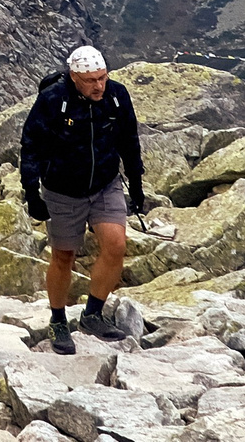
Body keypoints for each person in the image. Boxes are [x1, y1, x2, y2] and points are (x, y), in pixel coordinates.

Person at [19, 43, 145, 354]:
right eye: (91, 80)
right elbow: (31, 145)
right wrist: (31, 192)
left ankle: (92, 314)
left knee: (116, 245)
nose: (99, 85)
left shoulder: (116, 96)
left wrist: (137, 184)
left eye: (103, 78)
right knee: (64, 256)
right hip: (62, 190)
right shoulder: (52, 100)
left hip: (105, 184)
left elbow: (129, 139)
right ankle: (59, 321)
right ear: (74, 77)